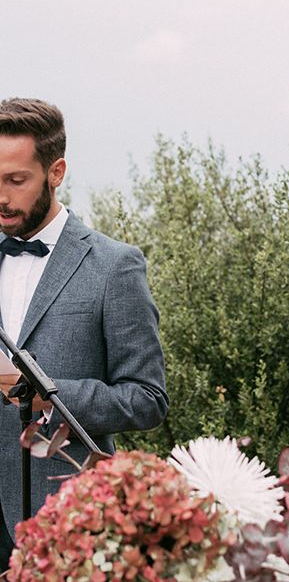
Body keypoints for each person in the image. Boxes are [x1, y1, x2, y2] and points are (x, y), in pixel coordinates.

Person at [0, 98, 169, 570]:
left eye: (15, 180)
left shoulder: (115, 266)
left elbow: (146, 399)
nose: (1, 196)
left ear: (56, 172)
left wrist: (45, 395)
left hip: (65, 521)